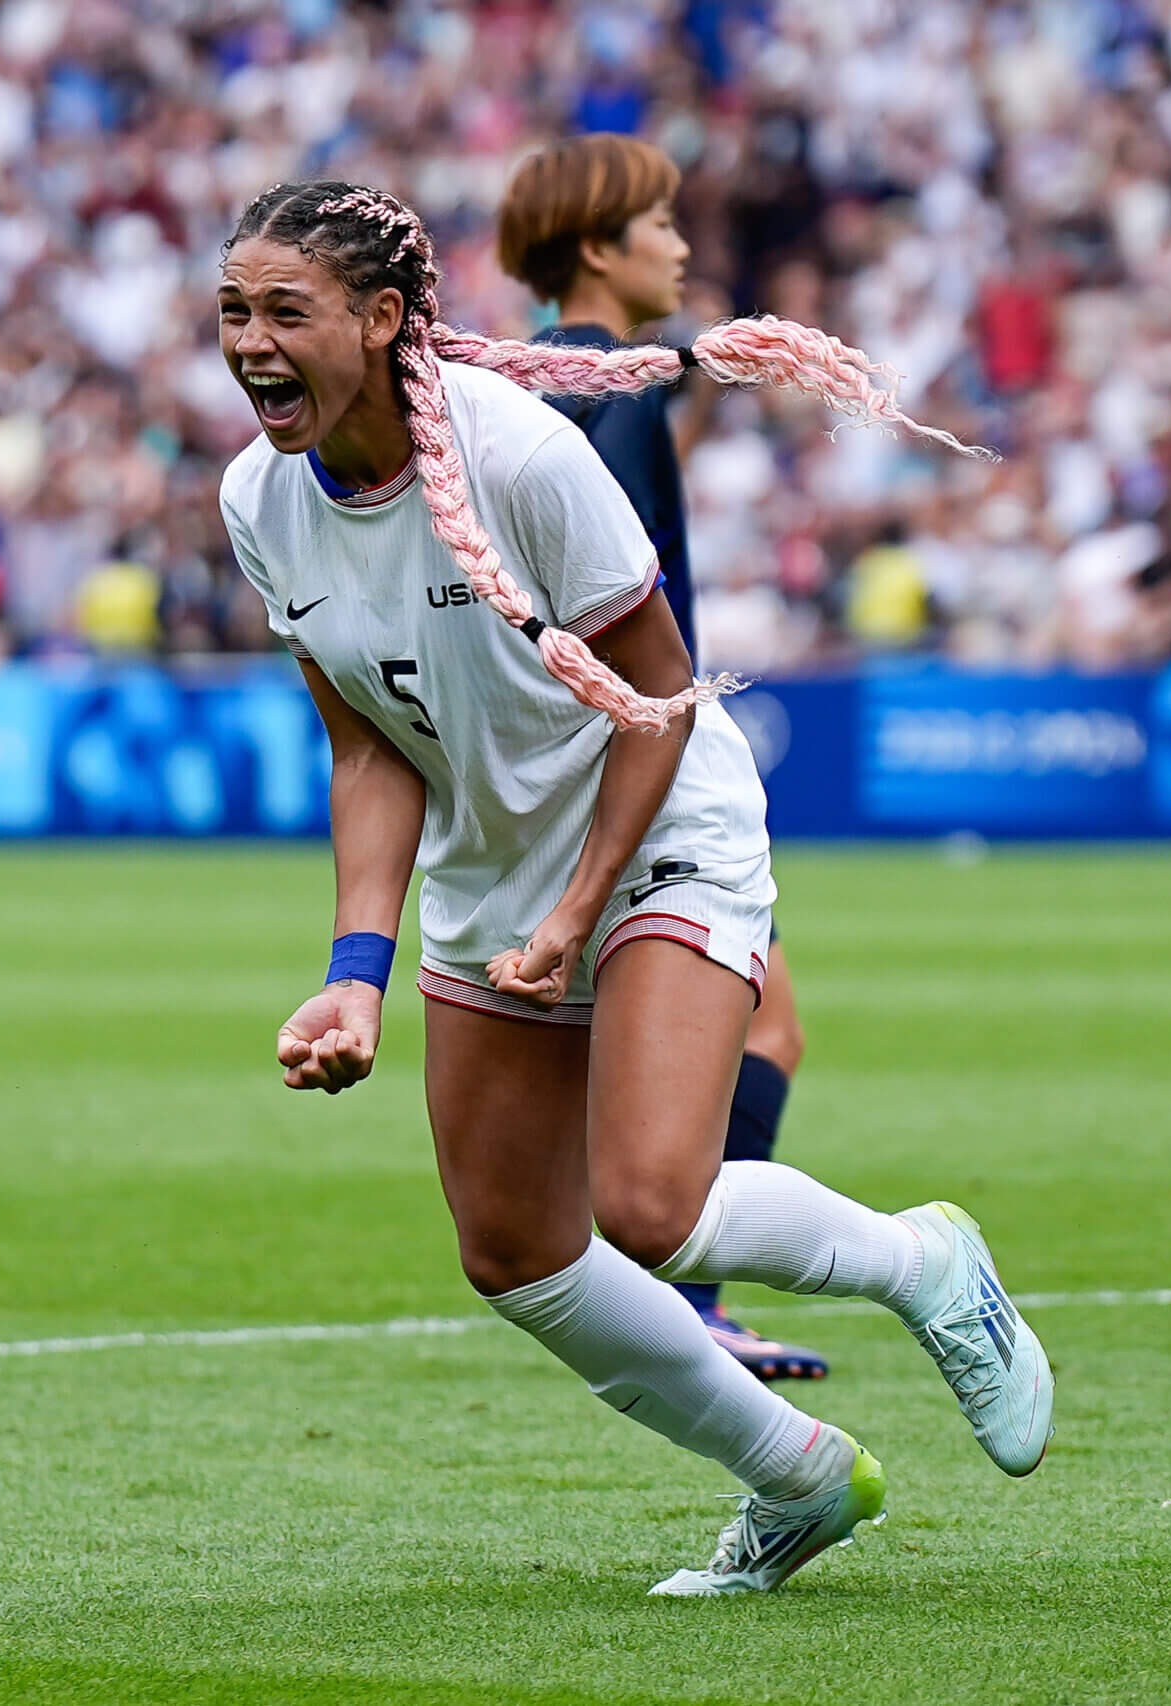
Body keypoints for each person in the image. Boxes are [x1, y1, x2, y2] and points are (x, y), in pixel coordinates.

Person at [216, 180, 1046, 1596]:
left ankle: (922, 1260)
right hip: (498, 867)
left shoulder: (522, 457)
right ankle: (794, 1475)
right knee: (513, 1251)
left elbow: (658, 703)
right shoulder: (257, 500)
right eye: (233, 310)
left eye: (285, 310)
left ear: (383, 317)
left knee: (653, 1204)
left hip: (656, 823)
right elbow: (367, 745)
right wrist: (356, 972)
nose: (249, 342)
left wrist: (578, 905)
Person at [496, 134, 823, 1383]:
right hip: (643, 746)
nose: (682, 246)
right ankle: (687, 1298)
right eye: (660, 225)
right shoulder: (613, 399)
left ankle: (673, 1292)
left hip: (553, 752)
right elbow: (625, 596)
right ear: (598, 246)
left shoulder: (539, 379)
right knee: (766, 1023)